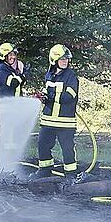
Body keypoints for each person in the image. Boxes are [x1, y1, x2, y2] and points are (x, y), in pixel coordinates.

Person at [34, 44, 79, 178]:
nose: (65, 61)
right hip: (48, 120)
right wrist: (42, 96)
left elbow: (69, 96)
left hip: (65, 122)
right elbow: (47, 91)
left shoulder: (71, 76)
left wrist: (51, 96)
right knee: (43, 145)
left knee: (67, 148)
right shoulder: (49, 75)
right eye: (62, 58)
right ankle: (44, 170)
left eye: (66, 59)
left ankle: (71, 174)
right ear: (54, 60)